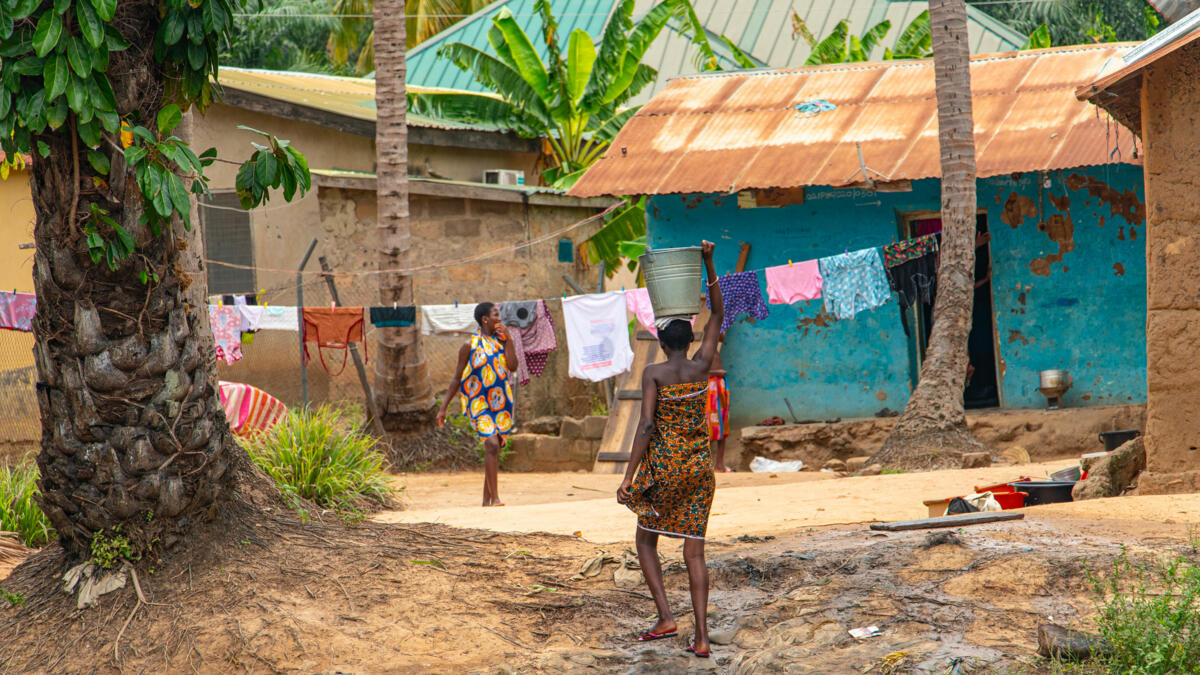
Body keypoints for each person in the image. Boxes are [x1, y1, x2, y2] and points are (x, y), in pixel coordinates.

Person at [617, 240, 724, 659]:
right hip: (700, 470)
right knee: (694, 550)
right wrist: (709, 262)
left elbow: (645, 425)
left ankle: (665, 616)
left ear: (662, 341)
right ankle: (701, 637)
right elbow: (717, 312)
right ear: (689, 339)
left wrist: (628, 477)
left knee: (646, 542)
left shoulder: (654, 373)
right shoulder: (702, 366)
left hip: (663, 471)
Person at [436, 302, 517, 507]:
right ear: (485, 319)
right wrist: (443, 407)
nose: (499, 319)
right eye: (496, 315)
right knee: (490, 444)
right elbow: (456, 378)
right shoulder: (469, 346)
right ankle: (496, 497)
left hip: (500, 404)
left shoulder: (501, 341)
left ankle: (486, 501)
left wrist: (509, 340)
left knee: (494, 448)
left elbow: (513, 366)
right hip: (477, 403)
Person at [707, 334, 732, 472]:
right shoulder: (705, 350)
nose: (723, 334)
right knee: (710, 427)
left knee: (723, 427)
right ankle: (707, 464)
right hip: (711, 390)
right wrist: (717, 372)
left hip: (720, 388)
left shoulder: (714, 349)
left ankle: (719, 464)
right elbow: (701, 370)